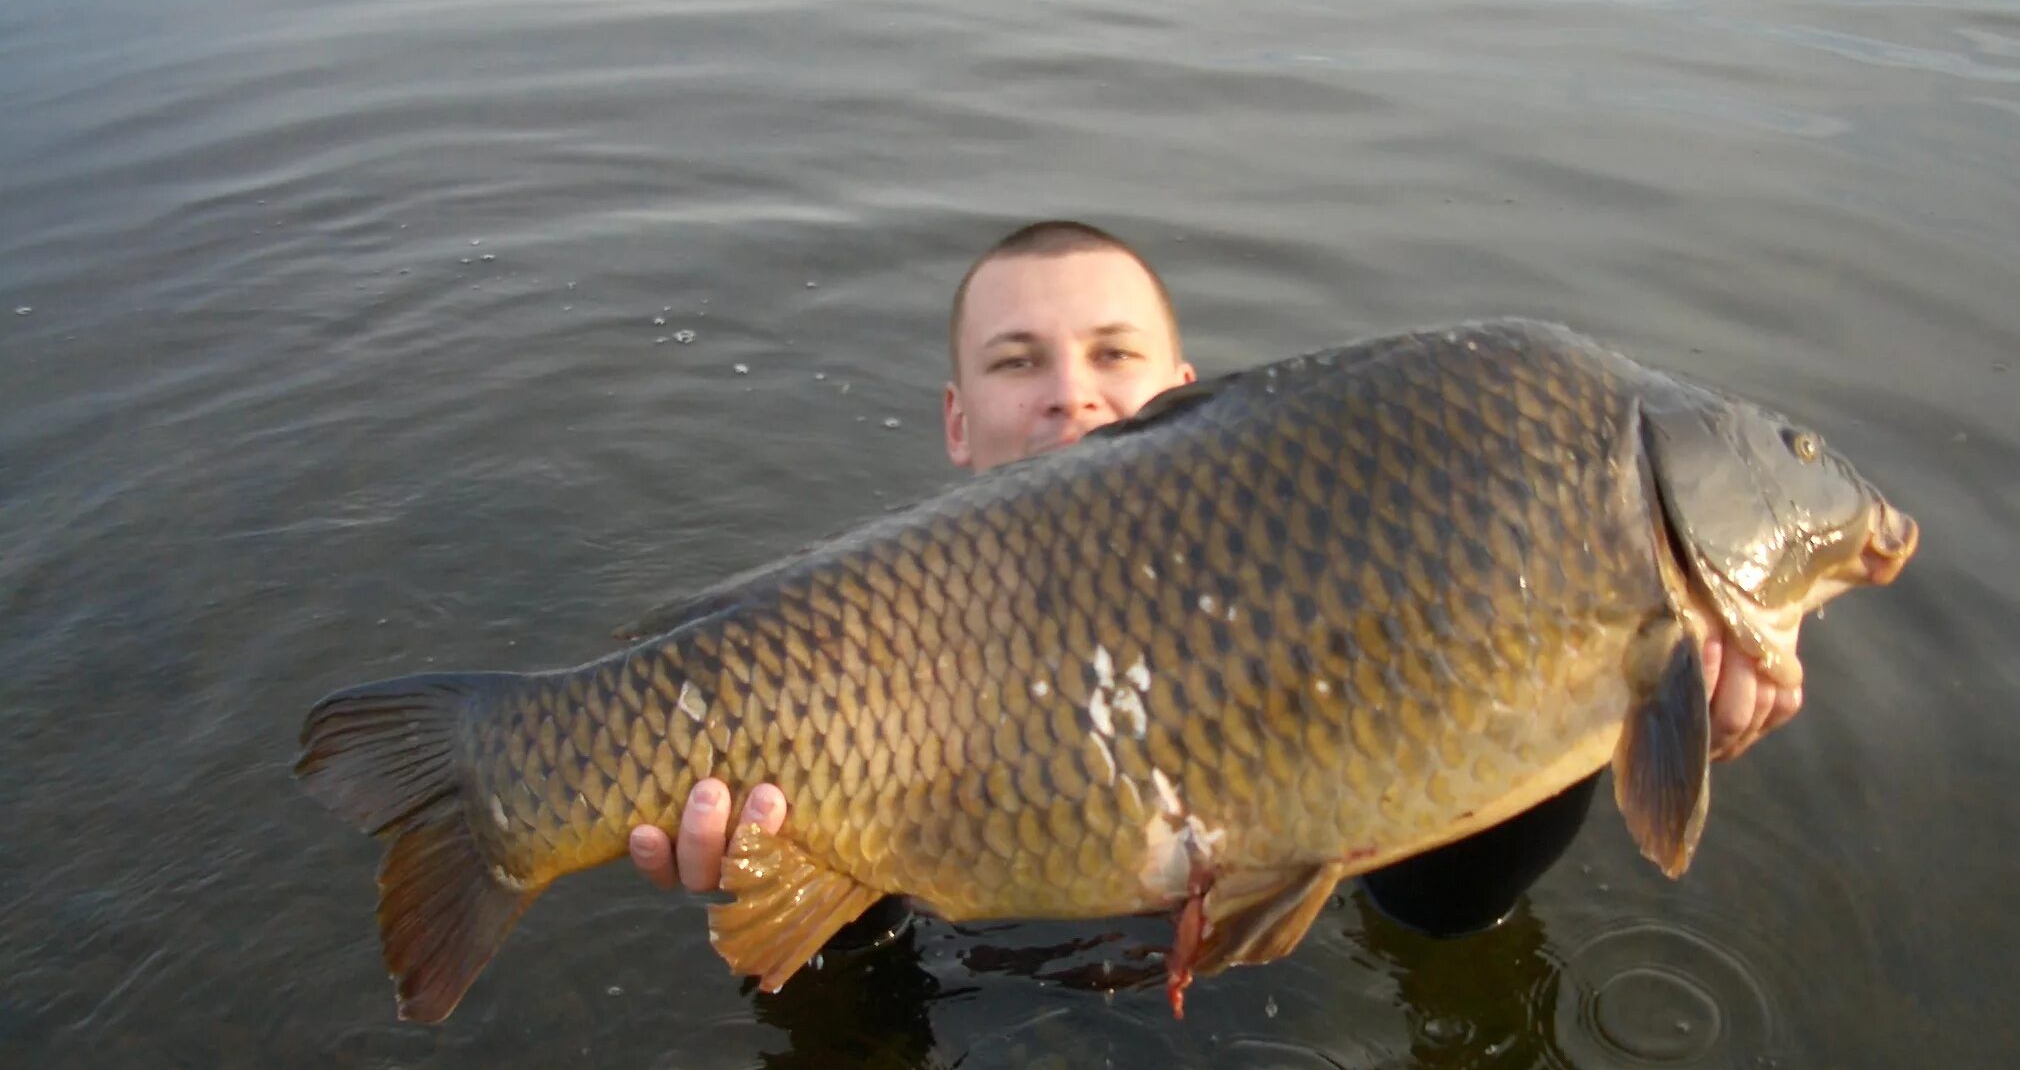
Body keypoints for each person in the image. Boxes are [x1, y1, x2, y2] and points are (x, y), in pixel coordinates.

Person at [629, 221, 1801, 938]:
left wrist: (1602, 715)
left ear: (1194, 396)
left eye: (1114, 356)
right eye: (1016, 362)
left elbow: (1440, 907)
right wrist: (761, 872)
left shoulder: (1317, 598)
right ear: (955, 419)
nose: (1070, 395)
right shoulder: (845, 635)